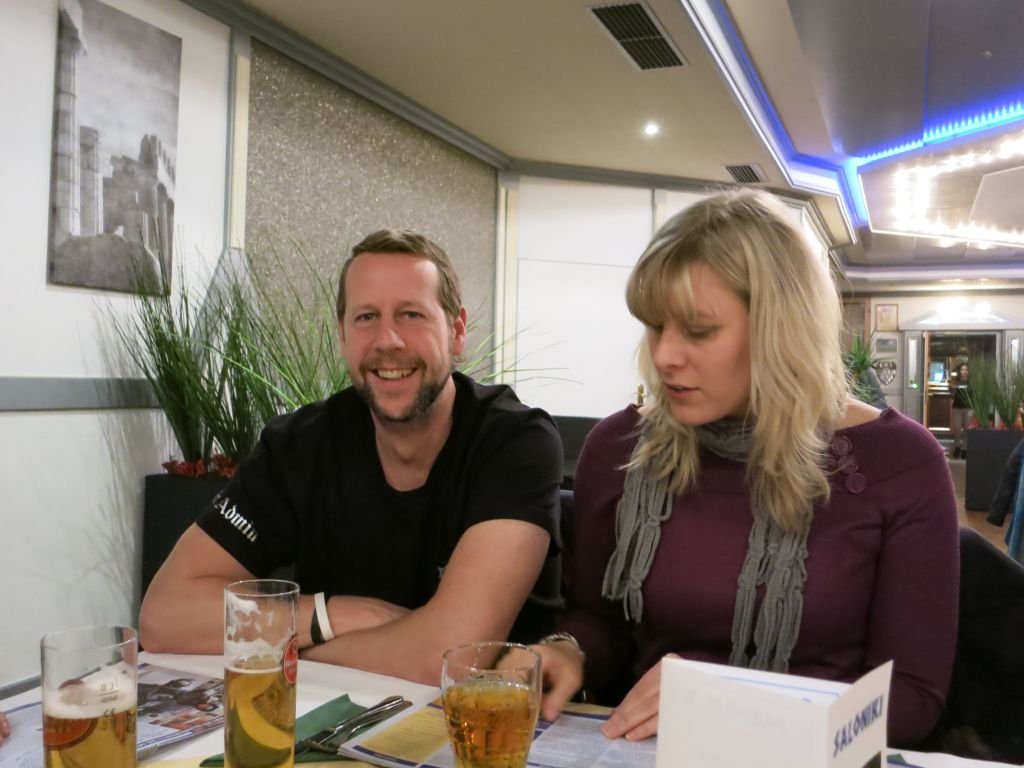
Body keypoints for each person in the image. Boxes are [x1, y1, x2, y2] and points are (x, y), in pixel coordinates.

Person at [532, 190, 959, 748]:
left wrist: (730, 702)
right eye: (654, 326)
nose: (664, 356)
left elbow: (912, 698)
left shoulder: (900, 462)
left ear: (781, 329)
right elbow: (599, 621)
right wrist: (568, 651)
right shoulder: (620, 447)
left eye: (698, 331)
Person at [140, 230, 563, 684]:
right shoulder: (299, 446)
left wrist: (291, 649)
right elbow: (164, 616)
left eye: (412, 314)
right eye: (366, 317)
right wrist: (328, 615)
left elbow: (444, 659)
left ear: (456, 331)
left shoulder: (514, 442)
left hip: (483, 718)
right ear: (342, 335)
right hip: (333, 711)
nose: (388, 340)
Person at [951, 362, 972, 459]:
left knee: (967, 430)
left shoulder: (971, 383)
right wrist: (952, 388)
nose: (964, 371)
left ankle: (965, 449)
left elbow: (974, 395)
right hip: (957, 408)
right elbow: (952, 395)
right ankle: (957, 447)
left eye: (966, 370)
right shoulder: (955, 382)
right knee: (957, 429)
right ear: (960, 371)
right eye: (962, 370)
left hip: (968, 408)